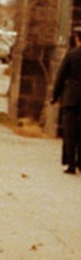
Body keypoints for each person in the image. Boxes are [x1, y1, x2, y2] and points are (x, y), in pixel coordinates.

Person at [51, 27, 81, 174]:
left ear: (77, 39)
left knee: (70, 132)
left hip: (71, 99)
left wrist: (54, 96)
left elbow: (61, 77)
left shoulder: (71, 55)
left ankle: (71, 164)